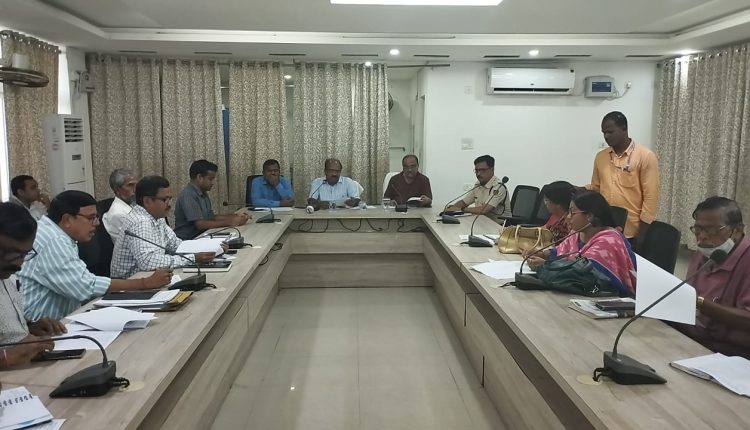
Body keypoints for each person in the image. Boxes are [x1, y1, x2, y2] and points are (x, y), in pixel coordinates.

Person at [19, 191, 172, 321]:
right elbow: (85, 286)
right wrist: (145, 283)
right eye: (91, 218)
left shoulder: (55, 232)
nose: (97, 223)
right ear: (67, 219)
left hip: (58, 322)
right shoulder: (53, 240)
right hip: (41, 331)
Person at [673, 197, 750, 358]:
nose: (702, 237)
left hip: (733, 352)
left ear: (737, 230)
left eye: (712, 230)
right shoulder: (705, 252)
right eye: (698, 229)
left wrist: (699, 302)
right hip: (697, 335)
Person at [526, 191, 637, 297]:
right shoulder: (577, 234)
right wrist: (541, 254)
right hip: (581, 294)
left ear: (590, 216)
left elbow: (582, 274)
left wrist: (545, 266)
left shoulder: (609, 240)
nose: (568, 217)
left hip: (611, 298)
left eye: (572, 212)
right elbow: (559, 252)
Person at [111, 176, 219, 279]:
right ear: (147, 201)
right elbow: (148, 262)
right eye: (164, 199)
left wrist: (212, 247)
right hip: (129, 282)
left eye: (170, 199)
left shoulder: (157, 217)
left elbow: (176, 245)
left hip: (149, 276)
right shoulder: (140, 221)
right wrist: (193, 258)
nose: (169, 204)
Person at [0, 203, 63, 369]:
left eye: (24, 254)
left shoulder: (8, 275)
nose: (19, 264)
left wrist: (29, 327)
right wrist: (6, 357)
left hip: (24, 368)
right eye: (12, 253)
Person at [587, 111, 659, 249]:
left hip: (631, 231)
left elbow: (651, 198)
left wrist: (642, 233)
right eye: (604, 133)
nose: (606, 136)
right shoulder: (601, 157)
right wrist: (581, 190)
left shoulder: (645, 156)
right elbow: (596, 188)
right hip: (604, 228)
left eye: (610, 132)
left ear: (624, 129)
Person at [174, 159, 249, 240]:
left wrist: (236, 216)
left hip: (202, 236)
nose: (213, 182)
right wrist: (231, 222)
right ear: (200, 177)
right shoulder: (188, 195)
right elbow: (200, 225)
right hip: (188, 240)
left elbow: (211, 217)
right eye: (210, 179)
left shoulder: (203, 192)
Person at [445, 155, 511, 219]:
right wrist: (453, 208)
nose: (478, 174)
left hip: (500, 224)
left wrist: (461, 209)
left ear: (492, 170)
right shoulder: (478, 185)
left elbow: (484, 210)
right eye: (477, 170)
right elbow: (464, 202)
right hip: (482, 221)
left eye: (482, 170)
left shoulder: (499, 187)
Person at [102, 168, 138, 243]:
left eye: (136, 185)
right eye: (130, 185)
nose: (135, 189)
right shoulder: (119, 214)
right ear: (117, 190)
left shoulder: (131, 204)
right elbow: (136, 243)